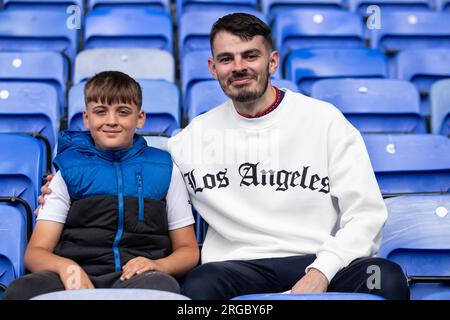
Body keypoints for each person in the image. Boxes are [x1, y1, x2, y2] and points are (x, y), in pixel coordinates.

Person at [166, 13, 410, 300]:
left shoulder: (325, 120)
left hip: (318, 259)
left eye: (250, 56)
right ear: (212, 67)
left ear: (272, 61)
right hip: (237, 268)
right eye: (226, 59)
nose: (238, 67)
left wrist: (321, 271)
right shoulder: (188, 141)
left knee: (386, 278)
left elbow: (366, 214)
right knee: (200, 285)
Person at [4, 71, 199, 300]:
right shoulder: (68, 169)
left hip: (137, 276)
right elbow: (36, 252)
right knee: (21, 291)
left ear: (140, 118)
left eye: (123, 112)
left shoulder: (165, 168)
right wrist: (66, 267)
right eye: (100, 112)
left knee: (161, 287)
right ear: (86, 118)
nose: (111, 121)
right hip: (74, 273)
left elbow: (188, 250)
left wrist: (159, 265)